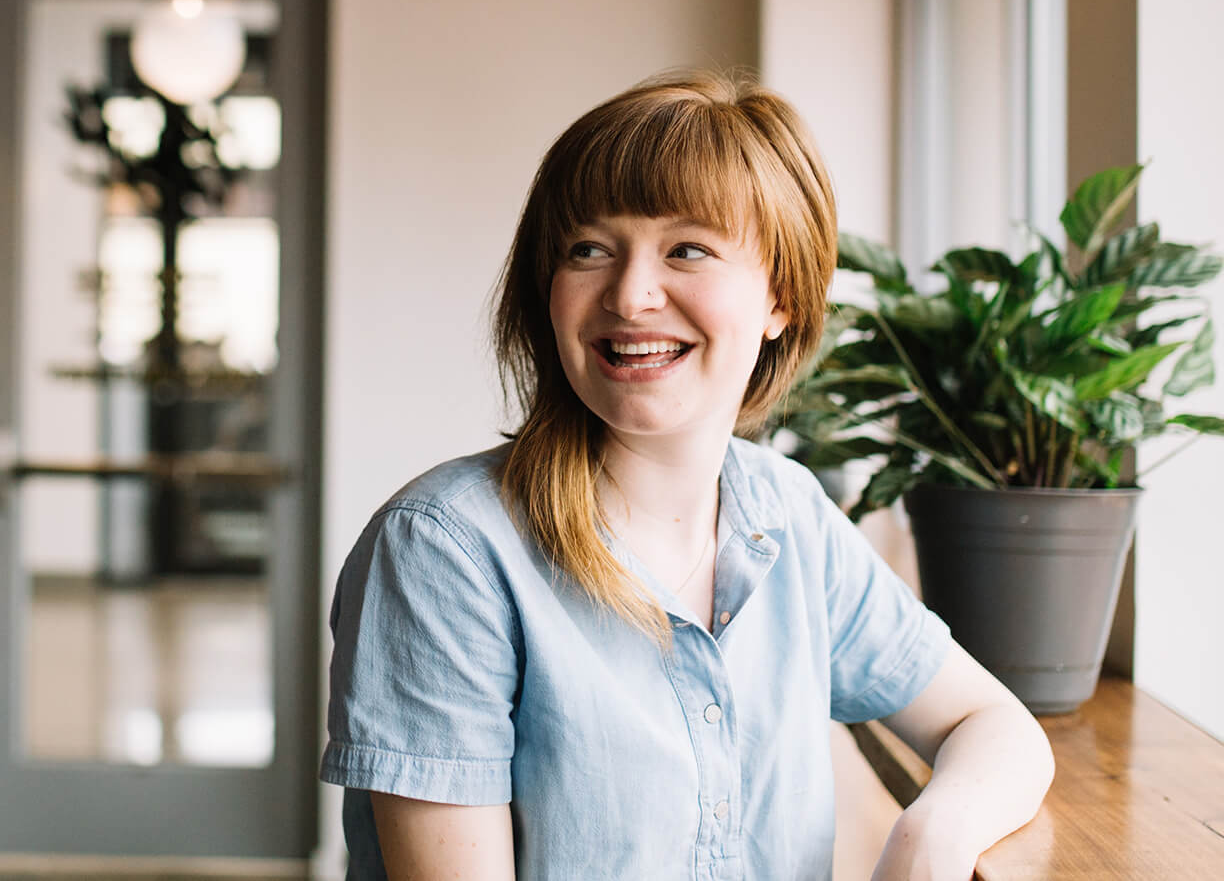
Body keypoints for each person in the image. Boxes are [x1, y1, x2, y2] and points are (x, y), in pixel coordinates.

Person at [320, 71, 1054, 880]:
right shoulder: (444, 551)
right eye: (588, 249)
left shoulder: (788, 513)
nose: (630, 296)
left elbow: (992, 722)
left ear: (781, 296)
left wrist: (931, 837)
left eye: (688, 249)